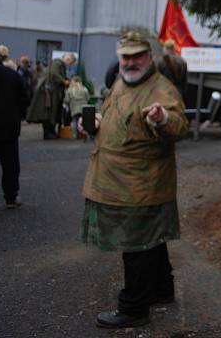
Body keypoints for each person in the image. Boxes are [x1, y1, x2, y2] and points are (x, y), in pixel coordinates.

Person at [80, 31, 189, 329]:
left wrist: (162, 119)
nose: (130, 62)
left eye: (136, 56)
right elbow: (116, 112)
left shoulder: (161, 88)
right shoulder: (121, 81)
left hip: (141, 184)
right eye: (125, 56)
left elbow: (180, 126)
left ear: (149, 56)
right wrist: (98, 123)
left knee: (136, 244)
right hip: (122, 181)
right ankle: (161, 290)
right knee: (151, 239)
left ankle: (134, 308)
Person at [0, 44, 29, 214]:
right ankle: (11, 197)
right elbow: (24, 100)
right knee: (10, 164)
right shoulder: (13, 76)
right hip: (8, 127)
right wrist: (17, 115)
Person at [27, 52, 74, 139]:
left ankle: (50, 132)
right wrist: (64, 81)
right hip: (51, 93)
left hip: (51, 92)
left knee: (51, 113)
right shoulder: (58, 63)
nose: (69, 64)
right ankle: (48, 133)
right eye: (69, 62)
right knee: (49, 113)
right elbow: (54, 74)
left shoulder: (58, 64)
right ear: (67, 59)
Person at [64, 75, 90, 139]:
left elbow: (67, 100)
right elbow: (88, 98)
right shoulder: (84, 89)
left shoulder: (70, 90)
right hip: (83, 108)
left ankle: (74, 135)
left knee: (74, 121)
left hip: (74, 108)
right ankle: (87, 135)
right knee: (85, 121)